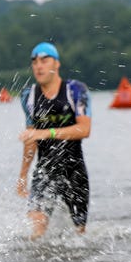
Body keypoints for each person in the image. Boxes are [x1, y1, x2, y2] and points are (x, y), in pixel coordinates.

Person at [17, 42, 92, 240]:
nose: (38, 66)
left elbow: (84, 130)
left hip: (74, 170)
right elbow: (31, 139)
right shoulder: (29, 96)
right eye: (34, 62)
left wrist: (46, 133)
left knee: (79, 236)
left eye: (44, 60)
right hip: (45, 170)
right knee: (36, 230)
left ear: (56, 64)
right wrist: (23, 175)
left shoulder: (76, 90)